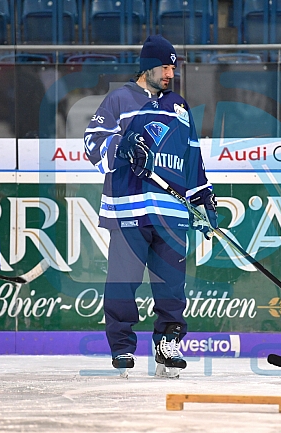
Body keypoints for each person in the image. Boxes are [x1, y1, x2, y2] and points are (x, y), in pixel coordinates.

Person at [83, 35, 217, 378]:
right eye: (165, 66)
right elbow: (92, 140)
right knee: (123, 282)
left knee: (172, 284)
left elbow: (192, 158)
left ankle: (168, 342)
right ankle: (122, 346)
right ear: (148, 66)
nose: (170, 73)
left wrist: (203, 197)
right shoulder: (120, 99)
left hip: (171, 211)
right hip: (128, 207)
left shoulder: (179, 106)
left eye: (173, 67)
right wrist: (121, 146)